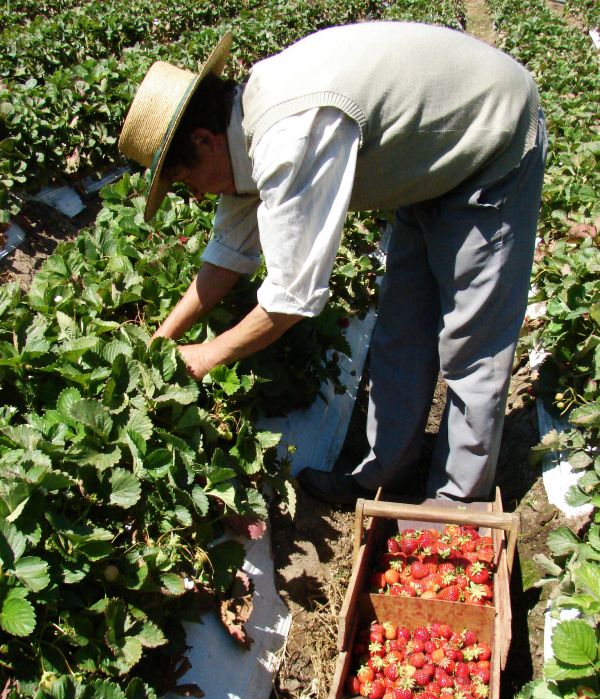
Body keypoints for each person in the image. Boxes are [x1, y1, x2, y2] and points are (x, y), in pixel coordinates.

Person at [118, 20, 547, 506]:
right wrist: (162, 337)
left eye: (184, 180)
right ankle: (385, 477)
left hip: (489, 137)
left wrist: (206, 355)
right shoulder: (241, 134)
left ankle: (454, 511)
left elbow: (291, 300)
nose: (194, 196)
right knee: (401, 330)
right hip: (422, 157)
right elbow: (227, 256)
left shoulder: (289, 138)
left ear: (202, 140)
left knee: (471, 346)